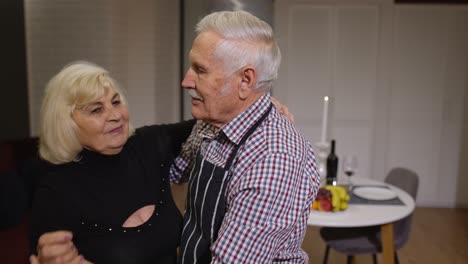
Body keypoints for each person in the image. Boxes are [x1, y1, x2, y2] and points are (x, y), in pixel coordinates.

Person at [169, 11, 320, 263]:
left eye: (200, 70)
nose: (186, 81)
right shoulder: (212, 122)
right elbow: (174, 171)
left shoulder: (274, 157)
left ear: (245, 81)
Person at [28, 61, 196, 264]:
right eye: (96, 110)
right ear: (67, 123)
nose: (116, 116)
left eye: (116, 102)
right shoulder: (56, 191)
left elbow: (212, 119)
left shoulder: (148, 144)